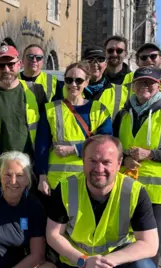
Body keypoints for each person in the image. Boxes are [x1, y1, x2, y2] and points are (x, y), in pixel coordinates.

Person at [47, 135, 158, 268]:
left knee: (144, 267)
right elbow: (53, 234)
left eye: (106, 162)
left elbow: (149, 244)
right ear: (83, 161)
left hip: (117, 261)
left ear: (118, 164)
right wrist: (84, 261)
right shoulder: (66, 188)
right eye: (92, 161)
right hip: (77, 262)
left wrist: (105, 262)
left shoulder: (134, 191)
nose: (99, 169)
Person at [113, 66, 161, 265]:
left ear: (159, 85)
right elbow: (114, 147)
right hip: (128, 189)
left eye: (150, 82)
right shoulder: (123, 114)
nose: (144, 86)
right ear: (133, 86)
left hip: (158, 193)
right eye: (140, 82)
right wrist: (124, 157)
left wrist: (152, 154)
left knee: (150, 248)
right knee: (125, 244)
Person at [0, 151, 55, 268]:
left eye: (19, 175)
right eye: (8, 175)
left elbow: (37, 255)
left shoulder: (34, 206)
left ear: (28, 180)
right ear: (0, 177)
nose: (13, 181)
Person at [35, 62, 112, 195]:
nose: (73, 84)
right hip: (56, 182)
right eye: (69, 80)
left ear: (87, 82)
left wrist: (74, 149)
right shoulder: (50, 110)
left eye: (79, 80)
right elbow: (41, 146)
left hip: (89, 180)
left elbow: (106, 142)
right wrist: (42, 177)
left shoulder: (99, 110)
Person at [0, 44, 47, 183]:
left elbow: (46, 132)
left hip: (30, 169)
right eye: (1, 66)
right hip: (1, 172)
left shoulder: (35, 91)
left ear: (19, 64)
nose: (6, 69)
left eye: (11, 64)